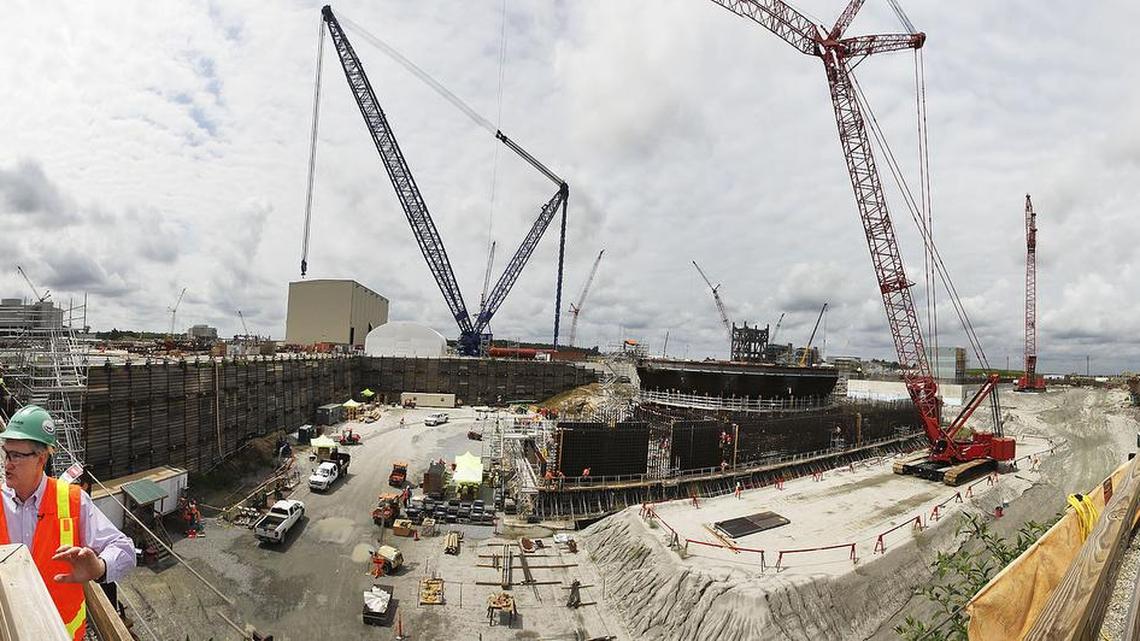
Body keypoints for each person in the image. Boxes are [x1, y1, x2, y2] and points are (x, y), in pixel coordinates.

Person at [1, 405, 136, 640]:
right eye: (6, 453)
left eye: (16, 455)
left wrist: (100, 568)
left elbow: (125, 550)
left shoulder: (73, 501)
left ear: (41, 459)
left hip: (60, 633)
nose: (7, 464)